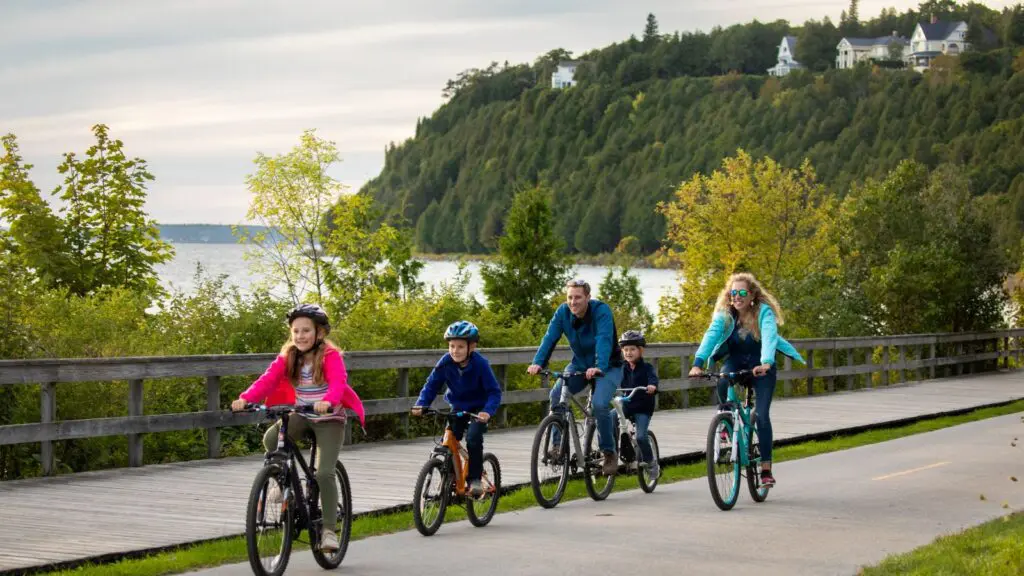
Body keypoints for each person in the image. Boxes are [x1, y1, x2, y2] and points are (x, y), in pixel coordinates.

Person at [231, 303, 365, 552]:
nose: (300, 336)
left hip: (329, 418)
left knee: (324, 473)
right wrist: (247, 398)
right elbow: (268, 379)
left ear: (319, 333)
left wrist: (329, 401)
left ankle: (328, 531)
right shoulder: (289, 355)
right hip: (302, 414)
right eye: (296, 331)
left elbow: (338, 382)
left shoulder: (330, 356)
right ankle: (283, 483)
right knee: (272, 440)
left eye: (306, 331)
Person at [688, 273, 803, 487]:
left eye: (742, 293)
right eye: (733, 293)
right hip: (736, 362)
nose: (737, 297)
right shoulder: (726, 315)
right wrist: (698, 362)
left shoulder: (763, 313)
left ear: (752, 295)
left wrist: (767, 361)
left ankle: (766, 469)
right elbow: (710, 335)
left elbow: (769, 336)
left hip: (761, 367)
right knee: (722, 379)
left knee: (761, 415)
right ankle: (725, 420)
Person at [527, 278, 623, 476]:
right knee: (556, 395)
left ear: (588, 297)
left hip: (609, 366)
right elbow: (550, 337)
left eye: (578, 297)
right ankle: (556, 448)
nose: (573, 302)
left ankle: (609, 452)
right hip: (580, 364)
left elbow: (604, 339)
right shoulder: (563, 312)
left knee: (599, 404)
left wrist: (599, 366)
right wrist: (538, 362)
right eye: (570, 297)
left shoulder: (601, 311)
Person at [411, 320, 502, 498]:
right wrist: (422, 403)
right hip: (458, 406)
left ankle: (474, 479)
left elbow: (494, 392)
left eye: (460, 346)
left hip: (479, 408)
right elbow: (431, 385)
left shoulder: (480, 364)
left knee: (473, 438)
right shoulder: (445, 362)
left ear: (472, 347)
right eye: (452, 346)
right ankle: (451, 475)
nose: (455, 351)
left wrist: (487, 412)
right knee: (450, 437)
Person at [617, 329, 660, 480]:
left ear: (640, 350)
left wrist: (652, 386)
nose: (628, 353)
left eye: (632, 349)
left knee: (641, 437)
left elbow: (653, 379)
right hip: (626, 404)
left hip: (643, 407)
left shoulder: (647, 368)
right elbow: (612, 378)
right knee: (609, 419)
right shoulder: (621, 367)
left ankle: (651, 462)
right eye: (625, 350)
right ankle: (614, 450)